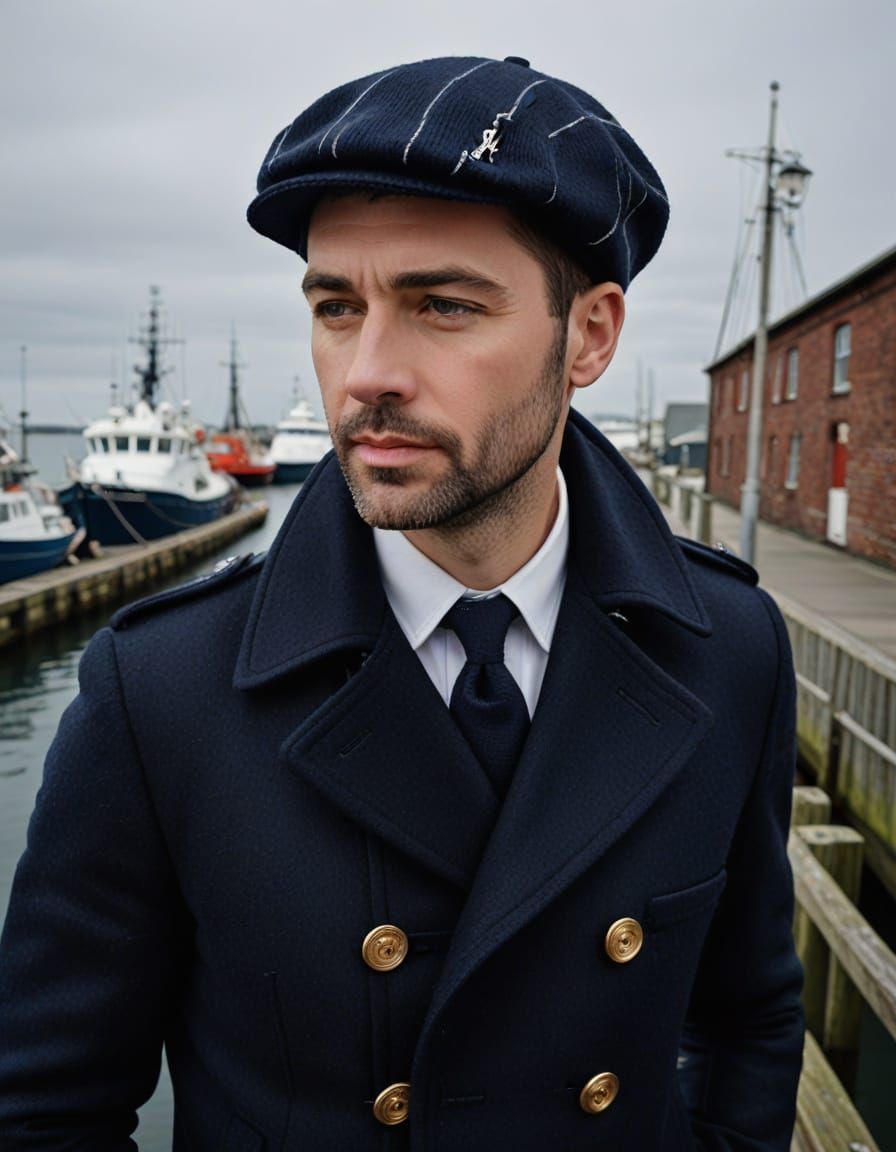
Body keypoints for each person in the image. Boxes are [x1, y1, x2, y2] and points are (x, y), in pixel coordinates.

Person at [0, 55, 803, 1150]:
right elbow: (46, 1105)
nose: (366, 371)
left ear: (591, 338)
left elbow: (747, 1015)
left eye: (442, 305)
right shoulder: (164, 689)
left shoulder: (730, 653)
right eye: (337, 306)